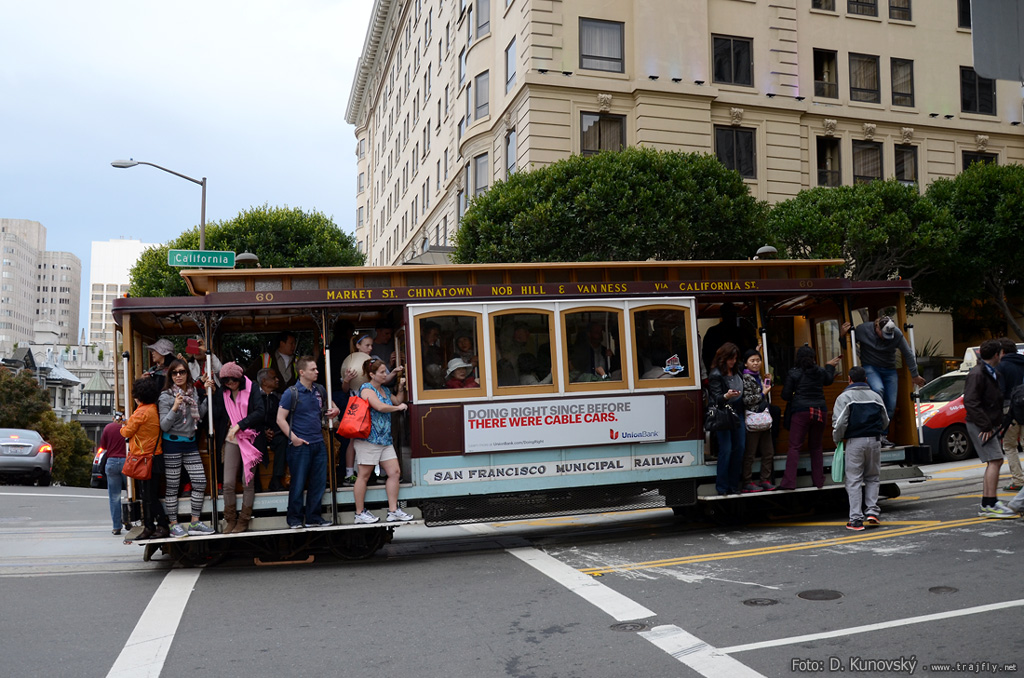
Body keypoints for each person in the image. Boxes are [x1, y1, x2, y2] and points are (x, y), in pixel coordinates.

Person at [840, 315, 925, 445]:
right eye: (884, 334)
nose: (886, 337)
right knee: (878, 390)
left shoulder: (896, 333)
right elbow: (848, 344)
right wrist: (842, 335)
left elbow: (908, 353)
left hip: (890, 369)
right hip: (870, 366)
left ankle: (882, 435)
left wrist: (915, 375)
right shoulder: (863, 330)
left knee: (890, 404)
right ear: (876, 327)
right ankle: (873, 432)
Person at [276, 356, 340, 528]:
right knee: (298, 483)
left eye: (317, 369)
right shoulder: (291, 393)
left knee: (318, 483)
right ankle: (294, 520)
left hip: (319, 443)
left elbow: (332, 406)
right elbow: (280, 419)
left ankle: (313, 518)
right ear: (302, 372)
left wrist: (335, 410)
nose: (317, 371)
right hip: (301, 445)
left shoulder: (320, 389)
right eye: (313, 369)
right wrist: (294, 439)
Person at [353, 358, 414, 523]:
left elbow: (397, 400)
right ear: (372, 374)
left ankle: (393, 510)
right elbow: (380, 407)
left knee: (394, 472)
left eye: (385, 371)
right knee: (364, 475)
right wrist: (398, 408)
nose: (386, 374)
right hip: (369, 439)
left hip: (385, 439)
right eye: (382, 372)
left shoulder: (385, 390)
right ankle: (359, 513)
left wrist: (401, 388)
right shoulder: (366, 389)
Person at [158, 359, 214, 538]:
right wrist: (175, 407)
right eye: (175, 373)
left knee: (200, 482)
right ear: (170, 376)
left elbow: (202, 415)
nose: (179, 376)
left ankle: (195, 522)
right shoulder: (166, 396)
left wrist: (207, 394)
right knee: (173, 486)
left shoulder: (193, 393)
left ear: (187, 374)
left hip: (190, 443)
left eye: (182, 372)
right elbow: (164, 426)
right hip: (172, 443)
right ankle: (174, 524)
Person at [209, 362, 266, 533]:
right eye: (226, 381)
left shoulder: (252, 387)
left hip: (251, 438)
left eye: (233, 380)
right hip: (232, 438)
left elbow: (260, 411)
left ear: (239, 378)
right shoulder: (223, 391)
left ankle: (244, 520)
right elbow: (216, 413)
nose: (230, 384)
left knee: (247, 481)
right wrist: (210, 393)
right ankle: (230, 519)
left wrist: (240, 425)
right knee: (227, 482)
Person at [832, 366, 889, 531]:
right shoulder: (876, 396)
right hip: (875, 440)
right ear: (866, 380)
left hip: (854, 442)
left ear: (849, 379)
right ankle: (872, 512)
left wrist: (837, 440)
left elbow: (840, 423)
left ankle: (856, 519)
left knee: (854, 480)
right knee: (872, 477)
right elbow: (885, 420)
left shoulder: (844, 397)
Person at [964, 340, 1017, 518]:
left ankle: (988, 502)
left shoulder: (988, 372)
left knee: (993, 461)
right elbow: (970, 401)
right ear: (997, 354)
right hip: (980, 423)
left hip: (984, 422)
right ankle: (990, 503)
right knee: (995, 460)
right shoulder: (978, 374)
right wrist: (986, 424)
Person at [780, 345, 841, 491]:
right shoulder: (820, 371)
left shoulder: (794, 373)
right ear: (813, 358)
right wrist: (829, 366)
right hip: (820, 410)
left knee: (794, 447)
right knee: (816, 447)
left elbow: (785, 395)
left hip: (801, 411)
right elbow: (828, 380)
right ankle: (818, 481)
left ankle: (789, 482)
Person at [120, 378, 169, 540]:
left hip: (145, 459)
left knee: (148, 496)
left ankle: (159, 525)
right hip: (155, 457)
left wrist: (122, 426)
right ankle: (151, 526)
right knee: (150, 495)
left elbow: (127, 432)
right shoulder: (153, 409)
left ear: (138, 396)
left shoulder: (141, 412)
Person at [708, 342, 746, 495]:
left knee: (740, 448)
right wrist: (726, 396)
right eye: (731, 358)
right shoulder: (716, 374)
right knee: (726, 449)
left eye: (735, 358)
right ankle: (722, 486)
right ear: (723, 358)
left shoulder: (737, 370)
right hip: (724, 413)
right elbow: (716, 398)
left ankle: (733, 484)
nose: (733, 361)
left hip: (738, 411)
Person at [739, 349, 775, 493]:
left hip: (763, 418)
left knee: (768, 452)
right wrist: (763, 393)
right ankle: (747, 481)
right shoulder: (746, 378)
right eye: (752, 361)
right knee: (750, 453)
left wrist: (766, 382)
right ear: (746, 364)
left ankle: (764, 479)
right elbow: (747, 400)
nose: (756, 363)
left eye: (758, 360)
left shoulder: (757, 376)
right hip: (754, 418)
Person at [995, 337, 1024, 492]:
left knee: (1010, 446)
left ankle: (1018, 480)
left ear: (1002, 352)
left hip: (1009, 410)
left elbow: (1000, 392)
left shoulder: (1002, 366)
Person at [254, 368, 289, 492]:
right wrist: (263, 431)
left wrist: (274, 431)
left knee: (283, 441)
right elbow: (250, 417)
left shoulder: (280, 397)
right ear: (264, 381)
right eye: (274, 378)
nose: (277, 380)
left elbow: (285, 418)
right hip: (257, 433)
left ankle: (276, 480)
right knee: (252, 442)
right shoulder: (253, 397)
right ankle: (255, 481)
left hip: (276, 433)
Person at [701, 302, 757, 374]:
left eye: (734, 314)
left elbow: (748, 348)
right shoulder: (713, 332)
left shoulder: (741, 331)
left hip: (740, 370)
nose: (733, 317)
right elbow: (707, 355)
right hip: (721, 370)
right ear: (724, 315)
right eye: (731, 314)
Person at [99, 412, 127, 535]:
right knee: (132, 494)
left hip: (111, 462)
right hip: (127, 462)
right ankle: (130, 520)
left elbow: (103, 446)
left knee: (114, 497)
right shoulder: (128, 427)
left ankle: (116, 526)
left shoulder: (108, 428)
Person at [420, 321, 445, 389]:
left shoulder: (435, 350)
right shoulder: (416, 349)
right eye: (434, 335)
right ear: (423, 332)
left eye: (437, 336)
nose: (436, 338)